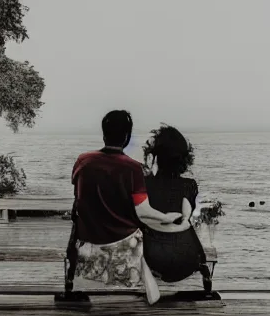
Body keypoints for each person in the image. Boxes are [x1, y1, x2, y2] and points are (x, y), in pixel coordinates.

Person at [66, 110, 183, 304]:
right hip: (124, 244)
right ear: (127, 137)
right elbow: (143, 211)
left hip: (87, 241)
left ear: (103, 134)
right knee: (144, 230)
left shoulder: (83, 161)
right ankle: (147, 281)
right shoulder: (133, 169)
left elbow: (79, 196)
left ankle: (70, 282)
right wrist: (167, 217)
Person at [140, 124, 212, 292]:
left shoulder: (144, 185)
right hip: (188, 258)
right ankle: (206, 286)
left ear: (156, 156)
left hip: (153, 258)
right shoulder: (189, 185)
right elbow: (185, 215)